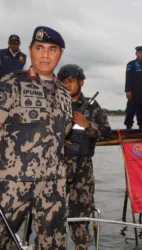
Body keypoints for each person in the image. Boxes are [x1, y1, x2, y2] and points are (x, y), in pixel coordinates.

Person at [0, 26, 72, 249]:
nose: (45, 54)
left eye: (52, 49)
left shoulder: (64, 93)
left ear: (60, 54)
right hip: (12, 184)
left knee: (52, 244)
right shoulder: (11, 84)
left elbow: (64, 132)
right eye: (39, 48)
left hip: (54, 186)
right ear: (30, 50)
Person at [58, 64, 111, 250]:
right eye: (63, 82)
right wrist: (58, 140)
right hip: (56, 168)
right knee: (52, 214)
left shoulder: (92, 107)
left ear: (81, 82)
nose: (66, 85)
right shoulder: (53, 105)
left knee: (80, 216)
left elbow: (106, 133)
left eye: (70, 81)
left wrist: (87, 124)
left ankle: (81, 246)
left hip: (83, 169)